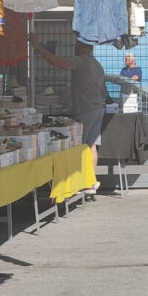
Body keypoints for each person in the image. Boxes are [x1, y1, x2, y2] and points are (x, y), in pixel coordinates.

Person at [29, 33, 105, 195]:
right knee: (91, 146)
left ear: (83, 46)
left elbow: (59, 63)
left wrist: (38, 46)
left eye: (76, 44)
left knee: (79, 147)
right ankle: (90, 183)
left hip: (85, 109)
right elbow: (101, 89)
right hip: (98, 108)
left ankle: (79, 182)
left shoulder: (81, 61)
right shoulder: (97, 65)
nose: (74, 47)